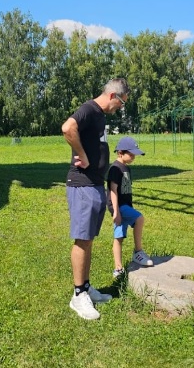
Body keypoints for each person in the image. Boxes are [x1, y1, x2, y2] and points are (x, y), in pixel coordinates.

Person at [61, 78, 129, 320]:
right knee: (82, 239)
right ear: (112, 96)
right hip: (82, 184)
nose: (120, 108)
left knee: (88, 239)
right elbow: (68, 127)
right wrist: (82, 155)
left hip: (94, 184)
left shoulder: (100, 115)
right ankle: (78, 295)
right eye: (121, 103)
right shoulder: (89, 109)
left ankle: (86, 287)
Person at [107, 136, 154, 278]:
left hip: (125, 205)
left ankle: (118, 268)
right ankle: (138, 252)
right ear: (120, 153)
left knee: (118, 237)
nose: (134, 157)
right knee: (139, 218)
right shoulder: (115, 168)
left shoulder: (126, 168)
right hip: (119, 206)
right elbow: (112, 191)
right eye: (131, 154)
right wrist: (116, 212)